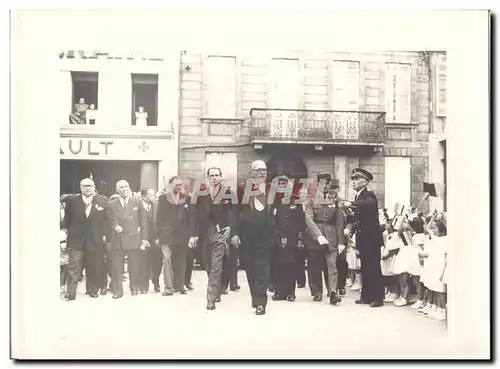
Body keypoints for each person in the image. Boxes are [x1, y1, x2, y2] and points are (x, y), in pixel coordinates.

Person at [234, 160, 278, 315]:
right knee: (250, 270)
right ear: (251, 172)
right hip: (247, 236)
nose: (262, 173)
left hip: (265, 236)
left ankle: (261, 302)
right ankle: (256, 298)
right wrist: (235, 233)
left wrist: (278, 234)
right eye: (258, 170)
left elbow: (278, 212)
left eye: (264, 170)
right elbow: (236, 212)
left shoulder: (271, 190)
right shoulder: (242, 190)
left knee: (263, 270)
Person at [191, 167, 238, 310]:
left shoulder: (229, 193)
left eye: (217, 175)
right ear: (207, 178)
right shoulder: (200, 194)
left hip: (220, 233)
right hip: (204, 233)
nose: (214, 178)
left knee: (216, 266)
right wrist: (193, 234)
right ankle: (218, 288)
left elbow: (235, 213)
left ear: (221, 177)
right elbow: (193, 215)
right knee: (207, 265)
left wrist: (231, 227)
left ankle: (210, 299)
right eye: (211, 175)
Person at [63, 178, 109, 301]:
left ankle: (92, 290)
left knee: (94, 266)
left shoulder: (103, 200)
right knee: (74, 267)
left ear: (94, 187)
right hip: (77, 239)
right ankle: (71, 292)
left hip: (95, 240)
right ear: (80, 187)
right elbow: (68, 219)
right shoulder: (72, 201)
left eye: (90, 186)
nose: (87, 188)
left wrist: (103, 235)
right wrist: (73, 232)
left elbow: (106, 220)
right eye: (84, 186)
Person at [344, 168, 385, 307]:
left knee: (373, 267)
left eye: (356, 179)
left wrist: (351, 204)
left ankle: (378, 298)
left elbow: (368, 204)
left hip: (371, 238)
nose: (353, 182)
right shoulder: (359, 196)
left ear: (365, 182)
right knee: (365, 267)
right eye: (353, 179)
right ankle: (367, 296)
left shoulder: (368, 195)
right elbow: (359, 218)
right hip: (364, 237)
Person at [304, 173, 344, 305]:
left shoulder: (334, 200)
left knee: (332, 265)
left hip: (331, 236)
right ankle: (317, 292)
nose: (325, 185)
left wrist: (341, 242)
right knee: (314, 266)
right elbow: (308, 219)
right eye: (322, 182)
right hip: (315, 236)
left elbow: (339, 222)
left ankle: (333, 292)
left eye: (327, 183)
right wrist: (318, 235)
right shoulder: (310, 200)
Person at [108, 180, 149, 299]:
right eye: (121, 187)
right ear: (117, 190)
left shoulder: (137, 202)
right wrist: (115, 226)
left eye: (126, 186)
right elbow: (110, 218)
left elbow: (144, 222)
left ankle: (134, 287)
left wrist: (144, 239)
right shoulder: (111, 203)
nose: (125, 189)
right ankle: (117, 291)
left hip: (134, 238)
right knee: (116, 267)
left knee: (134, 266)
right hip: (117, 239)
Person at [156, 176, 196, 296]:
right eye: (176, 185)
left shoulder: (187, 199)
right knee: (167, 260)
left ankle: (180, 286)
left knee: (181, 261)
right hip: (166, 235)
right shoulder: (163, 199)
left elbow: (191, 218)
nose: (179, 187)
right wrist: (157, 235)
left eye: (180, 185)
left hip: (182, 236)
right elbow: (159, 217)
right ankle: (168, 288)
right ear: (170, 185)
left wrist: (192, 235)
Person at [271, 174, 306, 302]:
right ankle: (278, 291)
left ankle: (290, 292)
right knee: (277, 265)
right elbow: (271, 219)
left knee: (290, 264)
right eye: (280, 184)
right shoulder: (272, 200)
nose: (282, 186)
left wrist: (300, 237)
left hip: (292, 237)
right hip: (276, 236)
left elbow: (301, 220)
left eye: (284, 184)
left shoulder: (294, 200)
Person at [141, 187, 162, 293]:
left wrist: (159, 237)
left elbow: (160, 222)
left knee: (157, 262)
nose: (154, 197)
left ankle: (156, 282)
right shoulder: (138, 206)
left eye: (154, 195)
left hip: (155, 239)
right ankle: (144, 285)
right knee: (143, 262)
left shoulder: (157, 206)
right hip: (142, 239)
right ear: (144, 196)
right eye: (151, 195)